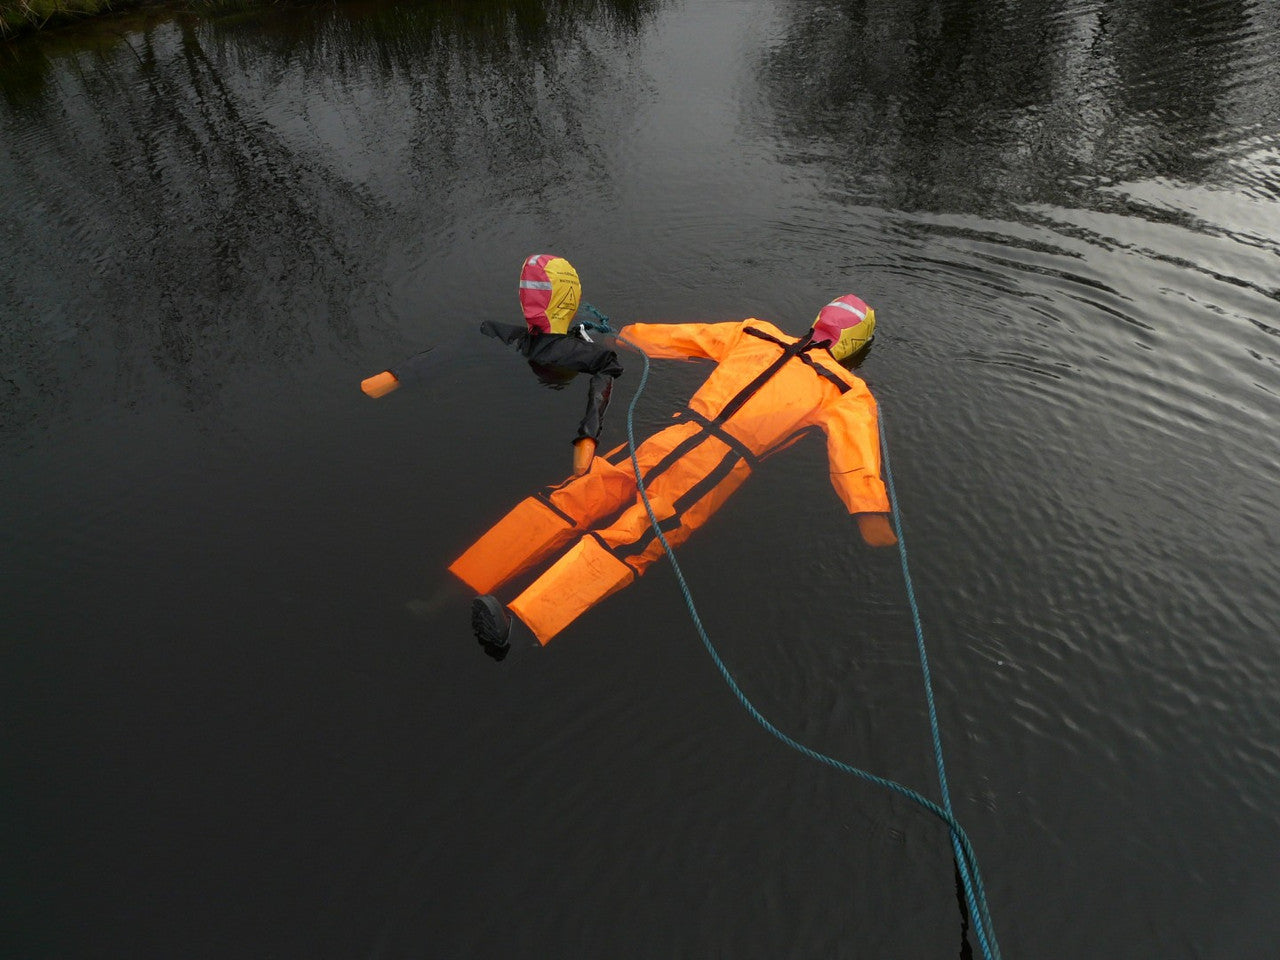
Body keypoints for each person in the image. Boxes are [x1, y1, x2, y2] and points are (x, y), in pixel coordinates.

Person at [450, 293, 898, 660]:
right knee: (610, 514)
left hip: (694, 446)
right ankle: (497, 599)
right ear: (855, 344)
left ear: (819, 323)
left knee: (607, 513)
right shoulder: (835, 382)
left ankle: (493, 604)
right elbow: (854, 454)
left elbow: (689, 338)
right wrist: (870, 514)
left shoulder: (784, 349)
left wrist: (630, 338)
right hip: (697, 450)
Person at [361, 254, 623, 477]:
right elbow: (606, 371)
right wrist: (588, 436)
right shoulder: (589, 355)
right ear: (569, 298)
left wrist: (398, 375)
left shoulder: (497, 333)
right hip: (545, 399)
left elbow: (457, 347)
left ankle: (387, 381)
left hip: (505, 396)